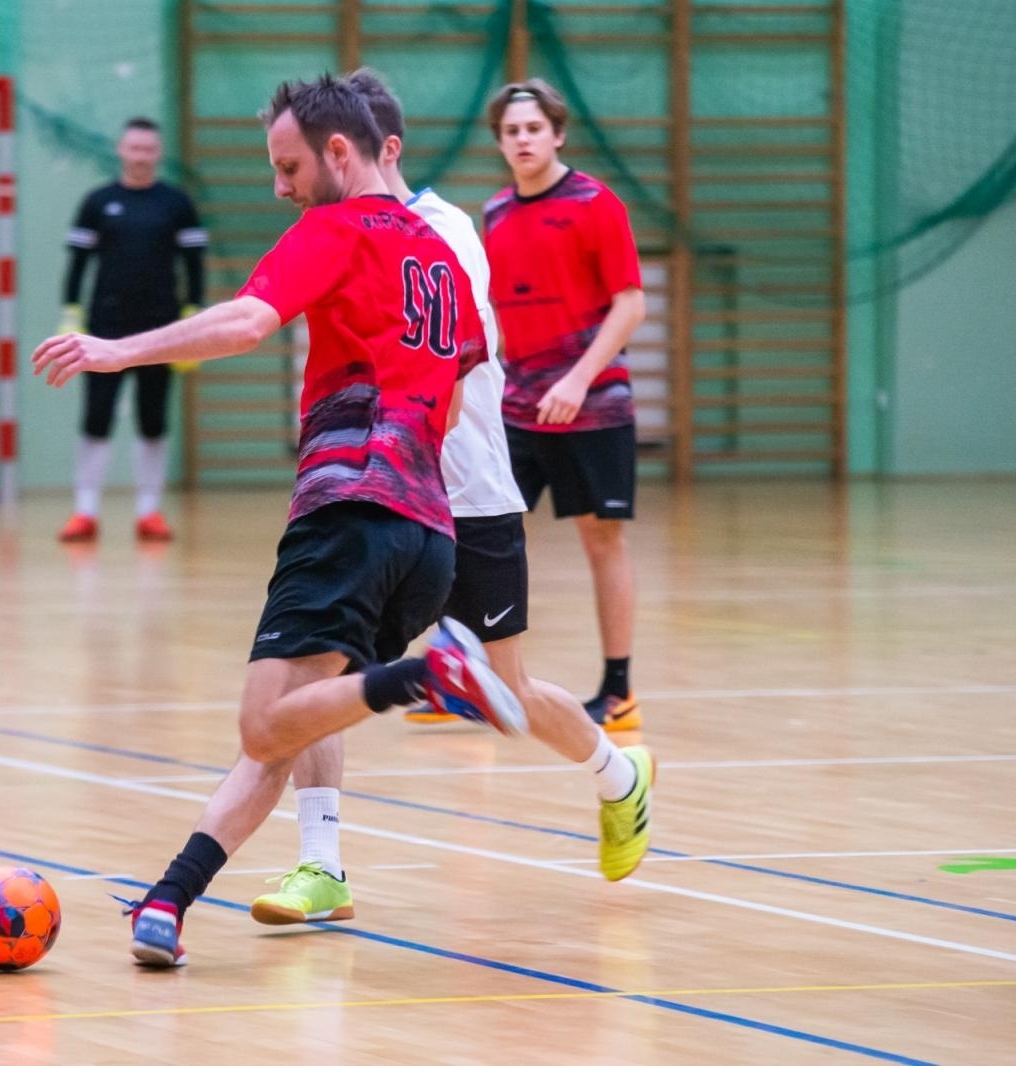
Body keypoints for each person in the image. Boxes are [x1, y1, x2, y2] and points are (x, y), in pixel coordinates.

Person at [32, 74, 524, 968]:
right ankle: (167, 904)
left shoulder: (332, 229)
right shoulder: (443, 255)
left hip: (348, 514)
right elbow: (451, 403)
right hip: (427, 534)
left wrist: (118, 349)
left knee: (266, 725)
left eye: (289, 166)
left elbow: (248, 323)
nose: (281, 187)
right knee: (291, 726)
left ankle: (429, 677)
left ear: (341, 152)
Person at [247, 70, 655, 928]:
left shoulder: (446, 230)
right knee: (322, 670)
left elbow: (456, 363)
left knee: (502, 692)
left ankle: (620, 775)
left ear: (375, 149)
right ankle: (321, 867)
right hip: (378, 498)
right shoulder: (334, 229)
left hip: (465, 494)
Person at [444, 77, 647, 731]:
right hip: (517, 403)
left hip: (590, 400)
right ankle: (461, 679)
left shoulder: (595, 203)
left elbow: (631, 303)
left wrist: (579, 381)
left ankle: (618, 690)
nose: (523, 139)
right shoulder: (496, 214)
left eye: (534, 128)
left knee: (600, 540)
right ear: (500, 143)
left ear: (557, 134)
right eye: (512, 131)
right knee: (477, 529)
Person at [58, 117, 206, 543]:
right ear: (121, 151)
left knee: (153, 419)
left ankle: (149, 511)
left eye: (148, 149)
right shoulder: (97, 202)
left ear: (157, 153)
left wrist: (192, 316)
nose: (140, 156)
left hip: (162, 329)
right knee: (96, 417)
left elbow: (193, 266)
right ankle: (84, 511)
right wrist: (71, 313)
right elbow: (78, 264)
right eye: (133, 148)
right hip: (105, 327)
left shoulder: (176, 204)